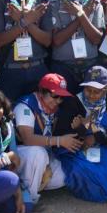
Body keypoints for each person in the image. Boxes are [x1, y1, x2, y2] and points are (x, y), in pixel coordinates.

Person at [57, 66, 107, 202]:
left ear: (106, 89)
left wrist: (94, 134)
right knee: (84, 169)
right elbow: (64, 133)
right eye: (88, 90)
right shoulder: (73, 102)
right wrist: (80, 130)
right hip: (76, 149)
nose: (91, 95)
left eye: (96, 92)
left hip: (102, 146)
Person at [12, 72, 74, 205]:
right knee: (38, 154)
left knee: (64, 175)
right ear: (41, 92)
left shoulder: (52, 108)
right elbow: (27, 139)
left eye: (61, 97)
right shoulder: (26, 106)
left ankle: (30, 182)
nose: (58, 101)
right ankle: (29, 198)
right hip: (18, 155)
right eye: (55, 96)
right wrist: (59, 141)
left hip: (41, 153)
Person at [43, 0, 104, 92]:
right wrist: (81, 16)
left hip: (90, 65)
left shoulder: (94, 3)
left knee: (88, 103)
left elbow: (96, 39)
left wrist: (81, 14)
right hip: (63, 66)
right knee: (64, 104)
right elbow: (57, 40)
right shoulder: (55, 3)